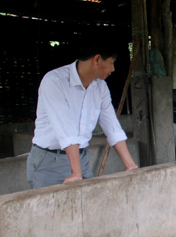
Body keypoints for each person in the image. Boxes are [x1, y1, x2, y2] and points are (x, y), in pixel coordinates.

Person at [27, 37, 138, 189]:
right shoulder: (54, 81)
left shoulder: (101, 87)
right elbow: (66, 128)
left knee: (88, 206)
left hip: (80, 159)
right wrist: (76, 172)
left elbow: (112, 126)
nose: (113, 69)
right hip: (50, 160)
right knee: (53, 211)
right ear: (97, 59)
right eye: (111, 62)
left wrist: (130, 165)